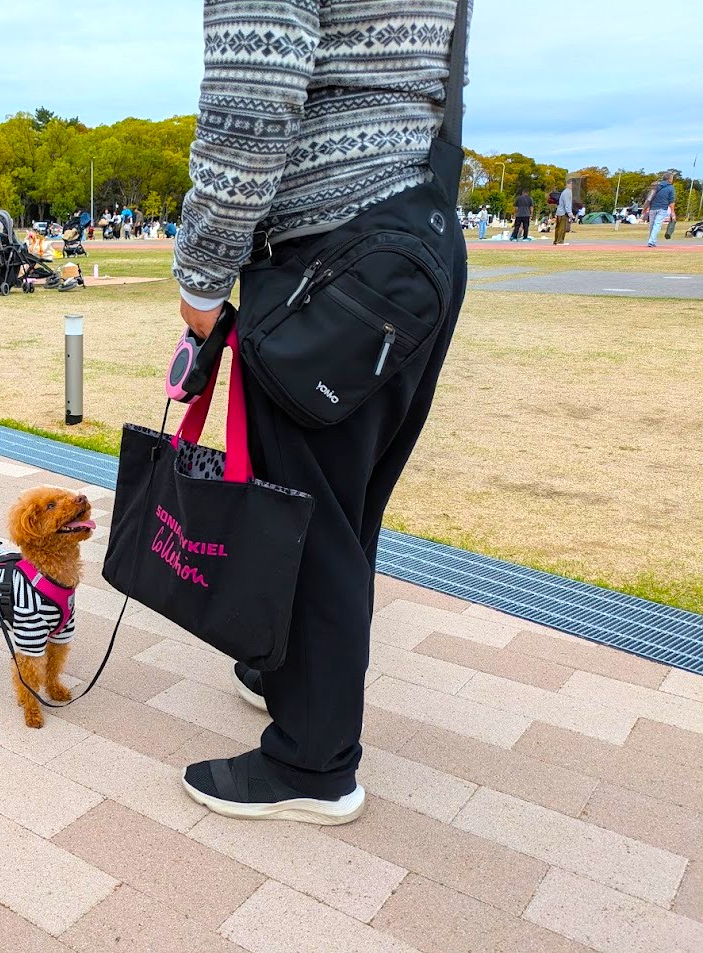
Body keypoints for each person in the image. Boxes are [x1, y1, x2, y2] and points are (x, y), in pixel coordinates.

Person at [170, 0, 470, 823]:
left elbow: (253, 99)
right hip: (416, 234)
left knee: (307, 519)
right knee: (344, 516)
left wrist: (200, 273)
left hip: (328, 253)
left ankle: (312, 763)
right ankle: (288, 674)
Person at [646, 171, 676, 247]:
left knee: (652, 225)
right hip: (662, 208)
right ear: (669, 179)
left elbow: (649, 197)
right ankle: (651, 241)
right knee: (657, 224)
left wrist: (646, 207)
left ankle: (652, 240)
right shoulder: (670, 187)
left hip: (652, 208)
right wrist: (672, 212)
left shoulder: (655, 186)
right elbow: (671, 201)